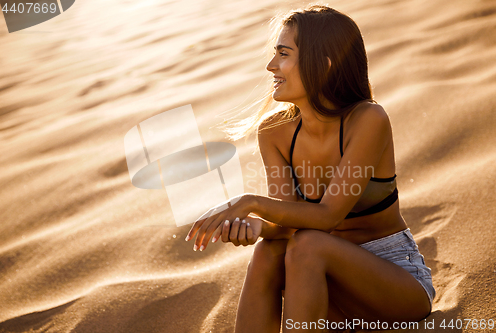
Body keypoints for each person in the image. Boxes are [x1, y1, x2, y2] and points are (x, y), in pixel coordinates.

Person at [186, 4, 435, 332]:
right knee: (268, 253)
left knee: (308, 245)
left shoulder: (368, 119)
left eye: (284, 54)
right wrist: (257, 227)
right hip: (323, 288)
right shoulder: (274, 132)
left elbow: (328, 217)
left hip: (394, 282)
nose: (270, 65)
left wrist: (252, 202)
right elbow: (289, 223)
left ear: (325, 64)